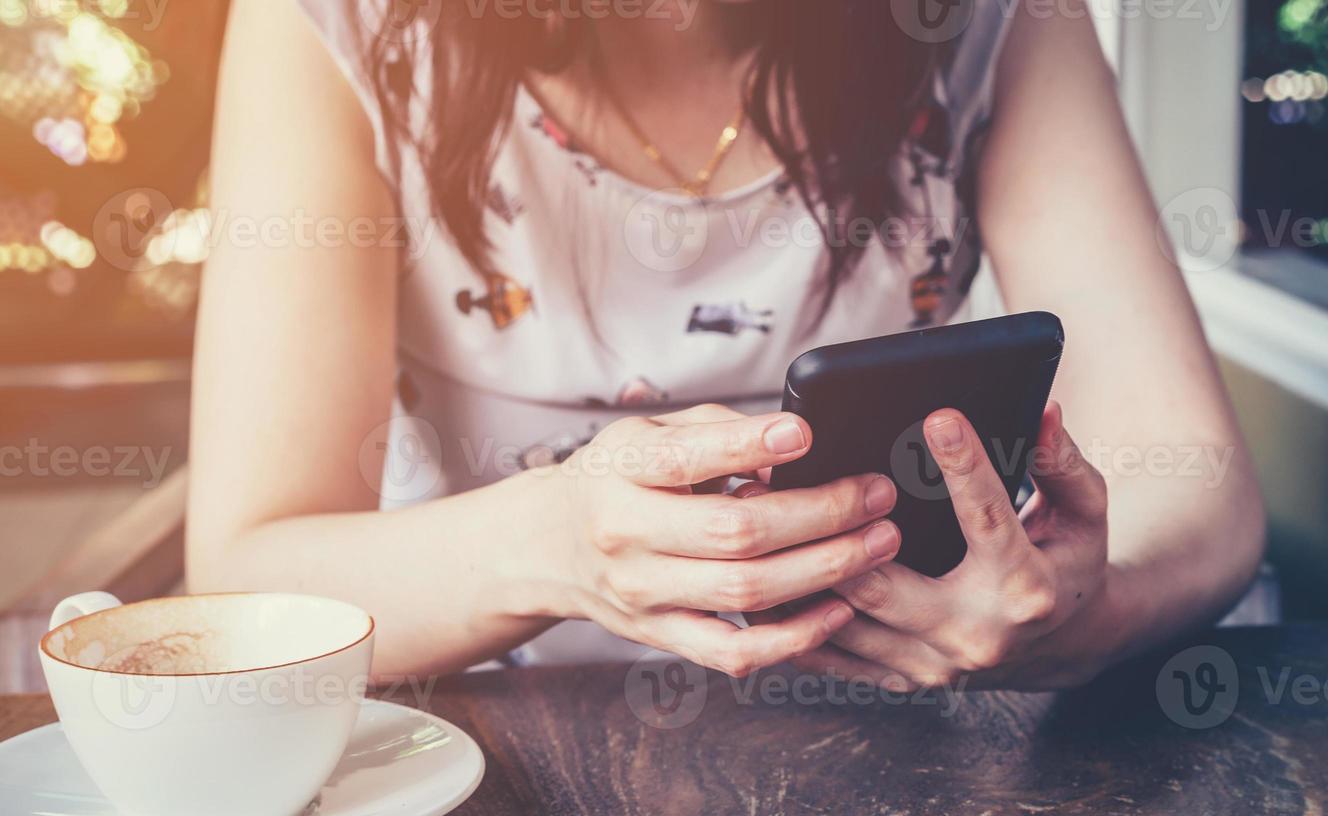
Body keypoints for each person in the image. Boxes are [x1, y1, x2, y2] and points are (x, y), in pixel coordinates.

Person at [187, 0, 1266, 691]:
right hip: (475, 756)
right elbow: (241, 581)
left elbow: (1204, 498)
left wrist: (1078, 613)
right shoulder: (333, 25)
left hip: (887, 744)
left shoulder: (990, 22)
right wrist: (555, 541)